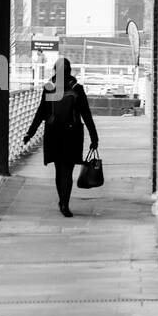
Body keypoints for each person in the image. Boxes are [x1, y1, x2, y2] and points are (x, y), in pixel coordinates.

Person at [23, 56, 99, 217]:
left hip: (54, 132)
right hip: (72, 133)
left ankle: (63, 202)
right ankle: (64, 203)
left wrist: (30, 132)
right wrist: (94, 137)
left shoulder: (49, 87)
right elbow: (86, 114)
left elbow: (41, 112)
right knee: (66, 170)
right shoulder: (76, 88)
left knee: (60, 170)